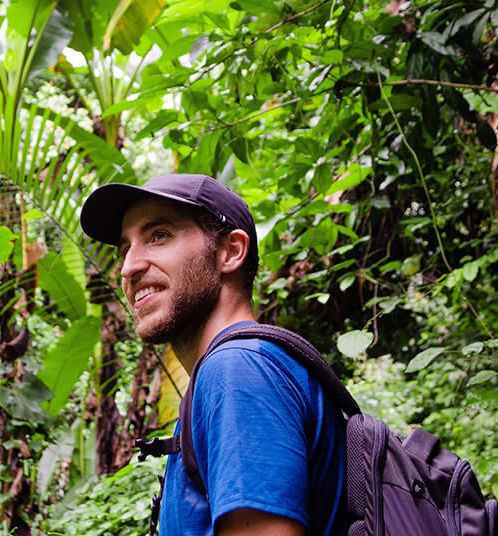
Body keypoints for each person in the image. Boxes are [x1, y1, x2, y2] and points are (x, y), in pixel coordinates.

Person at [80, 174, 347, 536]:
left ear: (230, 252)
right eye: (125, 249)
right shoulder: (236, 371)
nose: (128, 267)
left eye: (159, 235)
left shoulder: (238, 369)